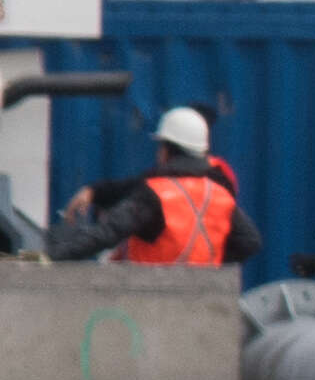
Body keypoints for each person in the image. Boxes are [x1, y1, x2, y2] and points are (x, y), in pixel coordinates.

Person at [51, 108, 253, 267]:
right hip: (204, 300)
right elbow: (249, 241)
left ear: (166, 151)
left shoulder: (156, 193)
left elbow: (107, 233)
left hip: (153, 299)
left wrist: (51, 258)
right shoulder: (219, 194)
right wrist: (213, 266)